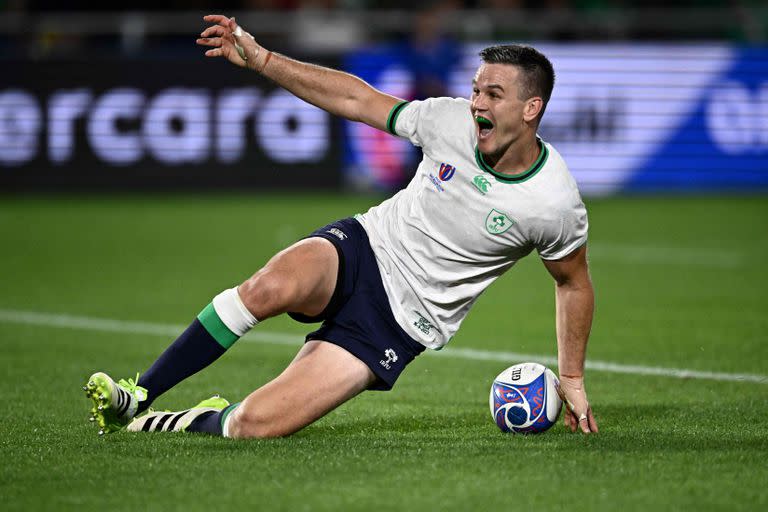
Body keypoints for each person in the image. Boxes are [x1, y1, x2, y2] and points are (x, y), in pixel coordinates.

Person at [83, 14, 598, 438]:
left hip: (402, 322)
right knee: (269, 287)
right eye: (476, 90)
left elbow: (572, 282)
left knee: (254, 426)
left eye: (494, 95)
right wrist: (261, 59)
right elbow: (357, 99)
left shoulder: (552, 201)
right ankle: (138, 394)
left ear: (532, 109)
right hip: (366, 247)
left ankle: (177, 421)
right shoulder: (448, 121)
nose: (477, 104)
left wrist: (570, 376)